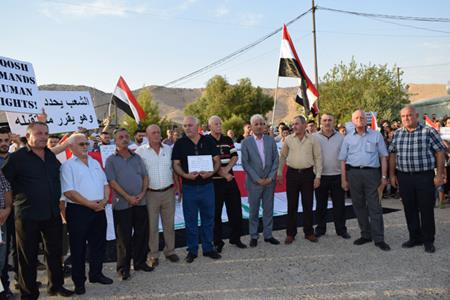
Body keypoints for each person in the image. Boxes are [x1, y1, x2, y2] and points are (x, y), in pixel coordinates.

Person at [2, 122, 73, 299]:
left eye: (46, 133)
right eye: (39, 133)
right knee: (28, 256)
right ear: (28, 136)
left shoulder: (50, 156)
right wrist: (7, 206)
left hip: (51, 212)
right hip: (27, 215)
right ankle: (29, 293)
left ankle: (56, 286)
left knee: (55, 253)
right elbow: (4, 184)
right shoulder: (17, 158)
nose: (43, 136)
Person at [389, 106, 447, 253]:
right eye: (403, 116)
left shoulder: (428, 131)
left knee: (426, 209)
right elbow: (393, 155)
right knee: (409, 208)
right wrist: (392, 174)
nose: (406, 118)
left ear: (416, 115)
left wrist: (439, 174)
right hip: (404, 177)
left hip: (424, 176)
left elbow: (440, 151)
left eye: (409, 115)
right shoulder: (397, 134)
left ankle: (428, 240)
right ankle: (414, 238)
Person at [61, 134, 113, 295]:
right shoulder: (67, 166)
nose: (85, 146)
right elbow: (69, 192)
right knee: (78, 248)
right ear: (71, 147)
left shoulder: (95, 162)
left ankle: (96, 274)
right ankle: (79, 281)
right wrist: (89, 204)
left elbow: (105, 184)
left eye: (86, 144)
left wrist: (104, 201)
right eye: (81, 144)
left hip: (99, 208)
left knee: (98, 244)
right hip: (79, 211)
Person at [338, 110, 390, 251]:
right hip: (353, 174)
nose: (359, 120)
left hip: (372, 174)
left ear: (366, 120)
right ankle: (365, 234)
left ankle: (379, 238)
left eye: (362, 117)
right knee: (358, 206)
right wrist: (344, 179)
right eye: (356, 118)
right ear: (352, 121)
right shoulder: (348, 138)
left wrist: (384, 177)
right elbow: (342, 160)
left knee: (375, 206)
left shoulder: (376, 135)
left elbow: (383, 157)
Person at [105, 128, 153, 281]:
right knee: (123, 238)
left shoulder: (137, 157)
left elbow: (145, 177)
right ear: (115, 141)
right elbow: (112, 182)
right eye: (120, 137)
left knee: (141, 234)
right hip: (122, 204)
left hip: (140, 201)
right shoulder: (111, 160)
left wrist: (142, 194)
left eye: (126, 136)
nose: (124, 139)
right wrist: (128, 197)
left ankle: (140, 262)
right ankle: (123, 268)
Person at [172, 116, 221, 263]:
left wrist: (211, 173)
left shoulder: (208, 141)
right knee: (190, 221)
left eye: (190, 125)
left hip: (207, 186)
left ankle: (208, 248)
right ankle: (192, 250)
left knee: (208, 219)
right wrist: (186, 175)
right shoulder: (180, 143)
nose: (187, 128)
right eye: (185, 126)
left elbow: (217, 161)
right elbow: (176, 164)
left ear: (197, 126)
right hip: (189, 188)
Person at [135, 125, 180, 268]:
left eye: (158, 132)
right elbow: (138, 174)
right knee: (152, 226)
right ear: (147, 135)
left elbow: (174, 170)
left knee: (169, 224)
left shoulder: (168, 149)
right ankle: (153, 255)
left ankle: (170, 251)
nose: (157, 135)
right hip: (150, 194)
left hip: (168, 192)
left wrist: (178, 188)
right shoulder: (140, 152)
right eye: (153, 133)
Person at [278, 115, 322, 244]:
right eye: (293, 124)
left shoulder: (313, 140)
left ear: (304, 125)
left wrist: (318, 176)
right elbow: (282, 156)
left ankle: (309, 232)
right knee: (292, 205)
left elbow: (318, 158)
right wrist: (279, 172)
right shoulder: (288, 139)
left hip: (308, 175)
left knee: (308, 204)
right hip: (292, 175)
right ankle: (290, 233)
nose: (294, 126)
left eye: (296, 124)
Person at [207, 116, 247, 253]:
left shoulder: (227, 140)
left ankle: (235, 238)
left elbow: (234, 156)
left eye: (220, 123)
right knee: (216, 213)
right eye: (216, 124)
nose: (219, 126)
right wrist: (223, 173)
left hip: (230, 180)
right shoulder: (206, 141)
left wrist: (227, 168)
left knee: (236, 210)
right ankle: (218, 242)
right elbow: (208, 161)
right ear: (210, 126)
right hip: (215, 183)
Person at [241, 114, 279, 247]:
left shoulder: (271, 140)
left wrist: (270, 177)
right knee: (254, 210)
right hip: (253, 182)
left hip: (269, 182)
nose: (259, 126)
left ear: (265, 126)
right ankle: (254, 236)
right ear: (251, 126)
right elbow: (245, 163)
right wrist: (257, 179)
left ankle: (268, 235)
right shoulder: (245, 142)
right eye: (256, 124)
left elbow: (276, 160)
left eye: (261, 124)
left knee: (268, 209)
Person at [313, 114, 350, 239]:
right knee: (320, 205)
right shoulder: (314, 137)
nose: (327, 122)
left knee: (339, 205)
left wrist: (344, 179)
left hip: (337, 175)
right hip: (320, 176)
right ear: (321, 122)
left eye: (330, 120)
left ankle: (341, 230)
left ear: (334, 121)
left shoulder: (341, 138)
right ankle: (320, 229)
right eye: (324, 120)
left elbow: (344, 158)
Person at [0, 170, 12, 300]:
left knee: (1, 260)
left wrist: (7, 209)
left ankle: (2, 290)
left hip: (2, 220)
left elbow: (6, 188)